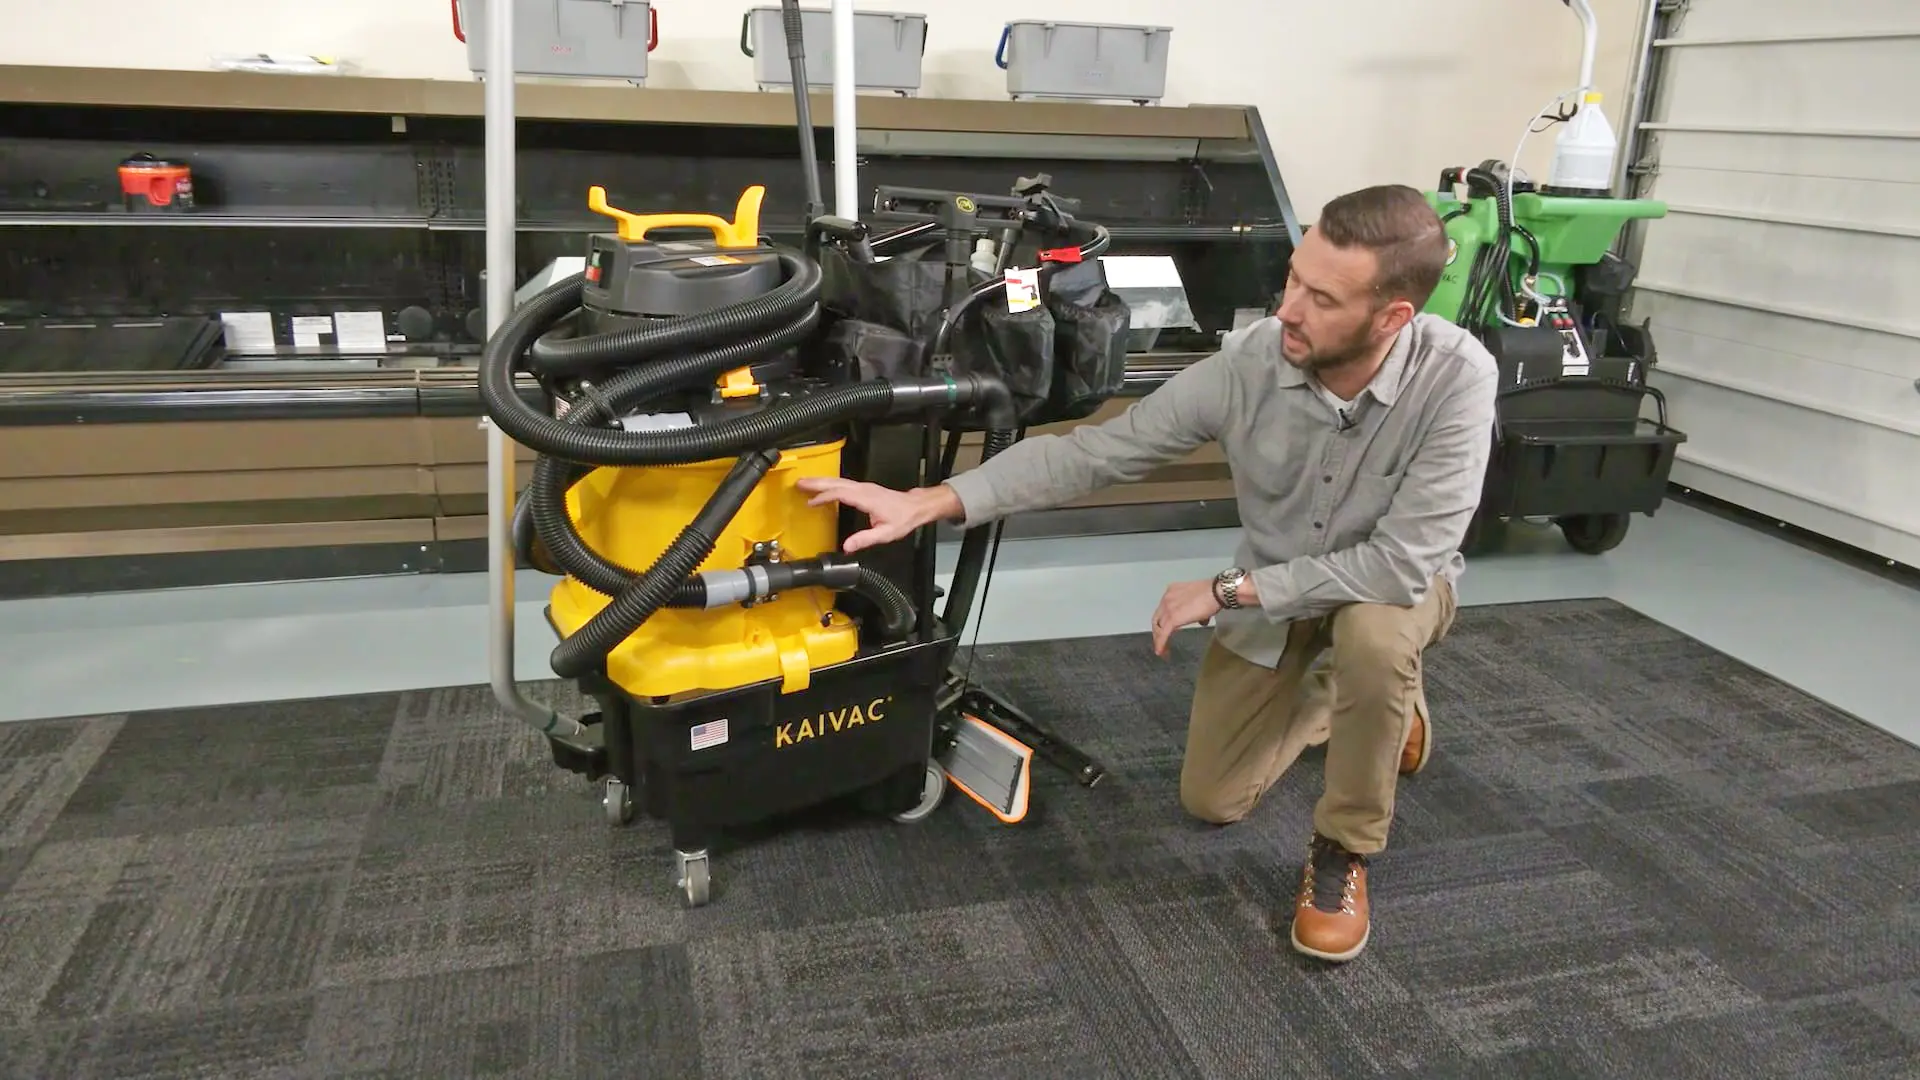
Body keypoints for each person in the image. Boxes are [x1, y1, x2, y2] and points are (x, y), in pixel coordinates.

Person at [798, 184, 1498, 963]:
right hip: (1280, 583)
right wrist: (934, 500)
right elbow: (1102, 452)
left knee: (1373, 638)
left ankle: (1344, 848)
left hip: (1390, 591)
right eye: (1293, 279)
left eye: (1322, 299)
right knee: (1213, 799)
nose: (1289, 310)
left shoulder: (1457, 378)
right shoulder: (1254, 360)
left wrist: (1225, 591)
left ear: (1392, 318)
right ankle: (1366, 702)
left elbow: (1400, 563)